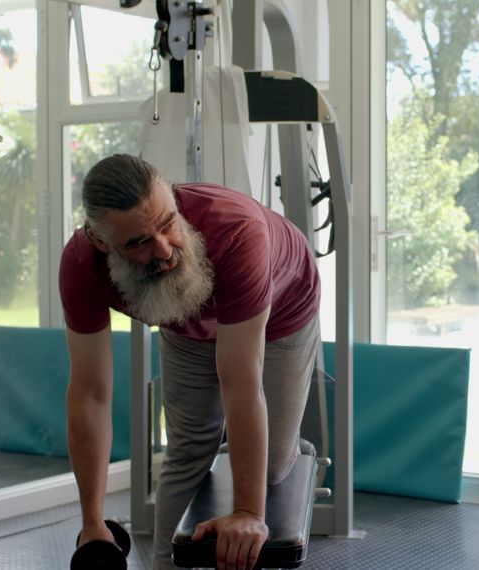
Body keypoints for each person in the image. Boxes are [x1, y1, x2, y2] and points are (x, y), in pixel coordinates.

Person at [59, 153, 321, 570]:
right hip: (184, 320)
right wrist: (92, 523)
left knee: (269, 468)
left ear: (175, 201)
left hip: (279, 314)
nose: (163, 249)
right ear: (100, 242)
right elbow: (90, 395)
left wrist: (249, 514)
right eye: (138, 243)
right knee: (187, 451)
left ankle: (288, 447)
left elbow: (242, 382)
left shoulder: (236, 232)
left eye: (167, 223)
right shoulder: (80, 267)